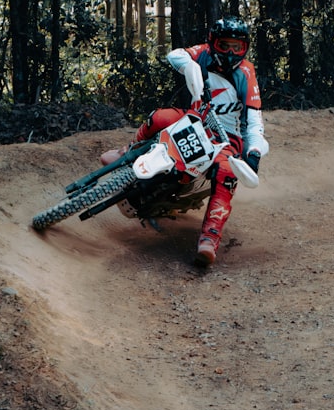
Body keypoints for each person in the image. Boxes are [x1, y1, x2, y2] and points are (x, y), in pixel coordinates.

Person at [102, 16, 269, 267]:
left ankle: (210, 238)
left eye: (238, 47)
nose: (231, 52)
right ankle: (128, 150)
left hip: (226, 139)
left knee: (226, 173)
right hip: (193, 120)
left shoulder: (246, 72)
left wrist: (254, 151)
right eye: (225, 45)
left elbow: (254, 119)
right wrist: (189, 67)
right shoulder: (202, 53)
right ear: (213, 43)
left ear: (245, 48)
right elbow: (175, 55)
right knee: (159, 117)